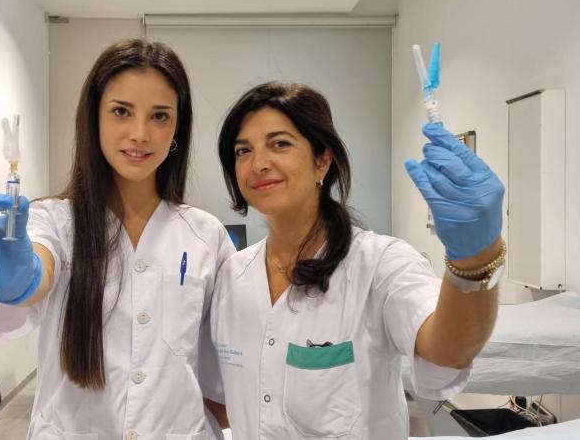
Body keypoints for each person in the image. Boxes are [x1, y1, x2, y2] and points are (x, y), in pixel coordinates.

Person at [0, 38, 234, 439]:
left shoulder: (206, 235)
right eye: (121, 111)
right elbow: (41, 263)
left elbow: (226, 365)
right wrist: (23, 280)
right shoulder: (54, 220)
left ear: (177, 127)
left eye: (159, 116)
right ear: (94, 118)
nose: (140, 133)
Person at [211, 82, 505, 440]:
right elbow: (228, 399)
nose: (258, 164)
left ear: (322, 160)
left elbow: (447, 350)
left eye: (280, 144)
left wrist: (476, 257)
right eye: (243, 151)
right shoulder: (231, 276)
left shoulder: (379, 264)